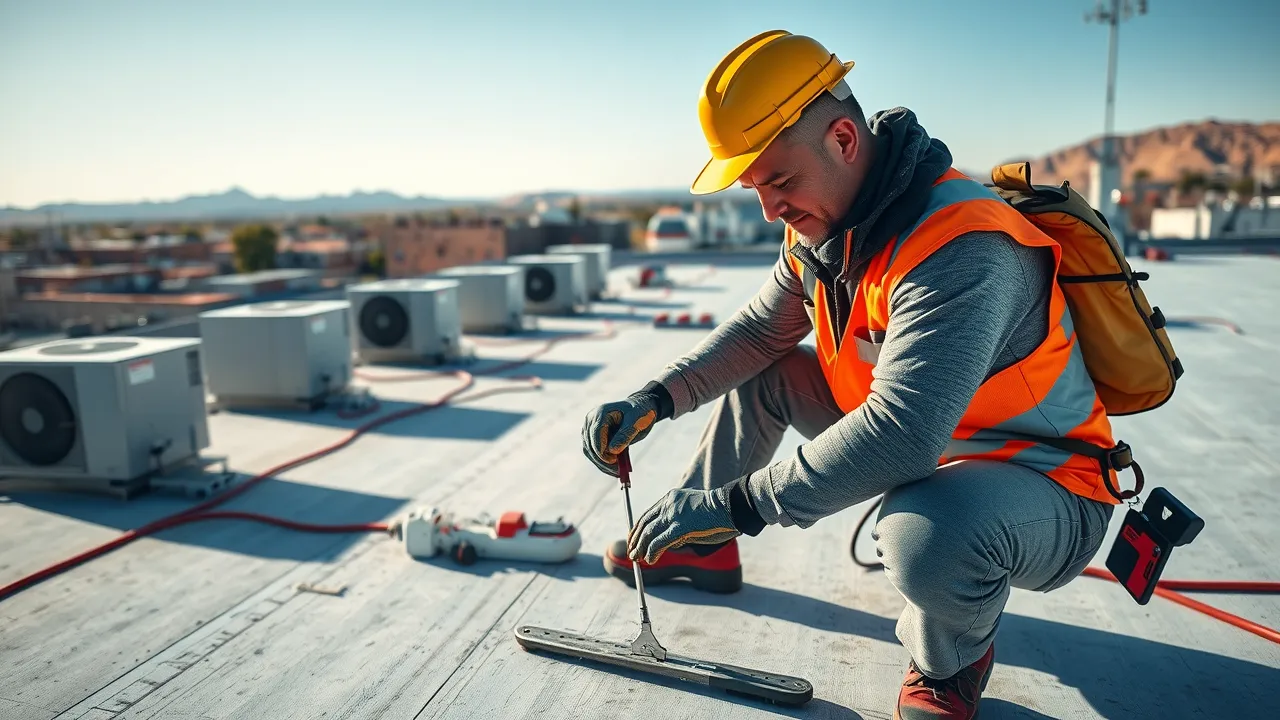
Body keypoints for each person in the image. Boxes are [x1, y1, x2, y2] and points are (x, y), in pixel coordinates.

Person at [581, 30, 1121, 720]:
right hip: (938, 449)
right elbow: (757, 333)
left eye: (779, 181)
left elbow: (901, 436)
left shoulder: (963, 245)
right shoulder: (823, 228)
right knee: (770, 373)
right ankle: (700, 546)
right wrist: (655, 398)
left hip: (1045, 484)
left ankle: (949, 661)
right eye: (755, 187)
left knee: (924, 534)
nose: (770, 209)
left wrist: (738, 503)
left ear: (842, 139)